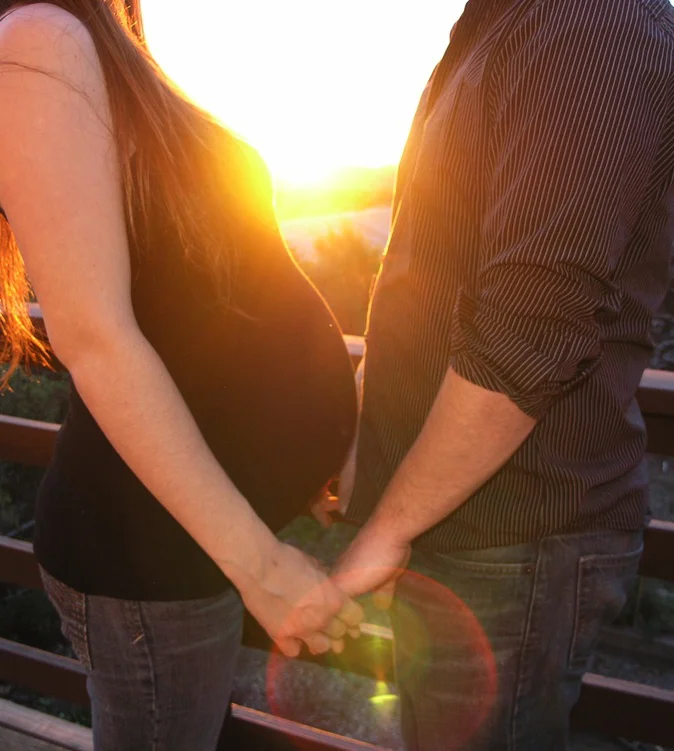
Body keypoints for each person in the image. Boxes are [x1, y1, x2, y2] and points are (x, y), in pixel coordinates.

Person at [0, 1, 363, 748]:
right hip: (149, 556)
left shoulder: (99, 42)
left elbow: (204, 303)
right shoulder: (36, 39)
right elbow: (95, 338)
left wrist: (316, 438)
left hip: (183, 541)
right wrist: (263, 568)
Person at [332, 1, 674, 749]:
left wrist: (388, 529)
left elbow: (531, 329)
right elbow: (425, 280)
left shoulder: (589, 26)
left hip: (513, 534)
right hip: (460, 519)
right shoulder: (503, 25)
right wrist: (367, 447)